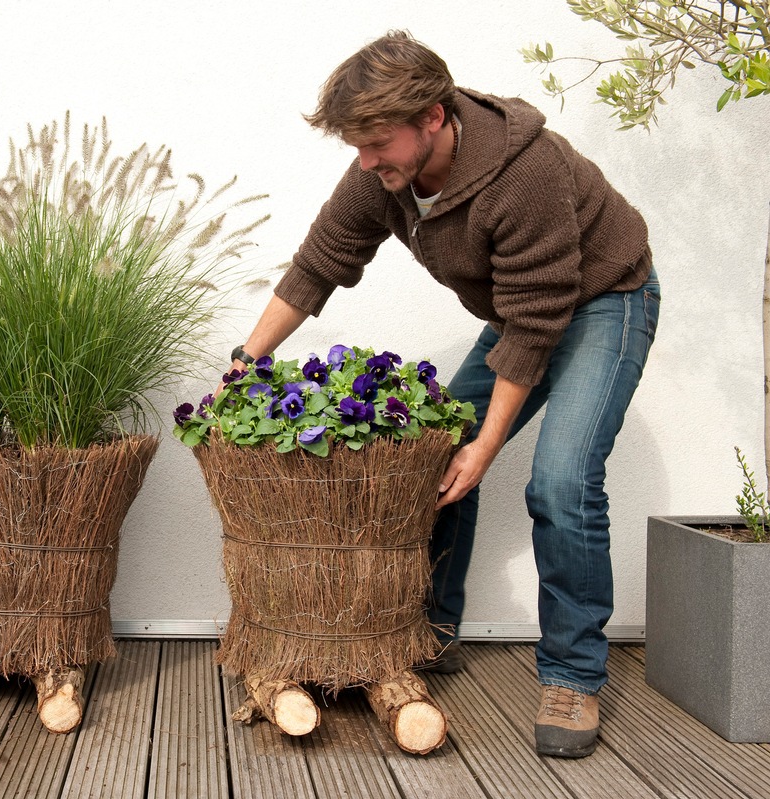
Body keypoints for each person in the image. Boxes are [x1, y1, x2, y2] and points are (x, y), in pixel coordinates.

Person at [227, 30, 659, 758]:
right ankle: (432, 630)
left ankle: (575, 674)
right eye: (356, 147)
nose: (365, 164)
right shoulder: (379, 173)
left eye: (377, 143)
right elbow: (320, 261)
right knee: (434, 455)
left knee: (561, 479)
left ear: (434, 115)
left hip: (604, 299)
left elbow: (537, 317)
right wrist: (246, 359)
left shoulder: (525, 173)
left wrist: (487, 445)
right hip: (522, 313)